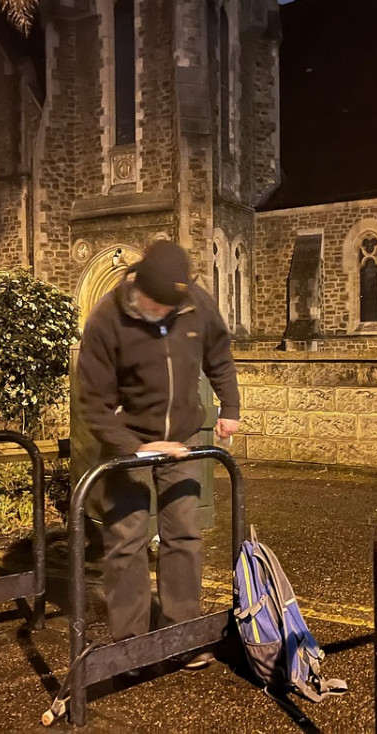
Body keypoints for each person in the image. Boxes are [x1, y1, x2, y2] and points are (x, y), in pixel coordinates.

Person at [76, 239, 241, 670]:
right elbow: (91, 403)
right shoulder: (107, 320)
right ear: (139, 288)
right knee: (127, 540)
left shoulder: (192, 303)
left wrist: (230, 407)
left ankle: (181, 635)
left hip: (182, 438)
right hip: (129, 441)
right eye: (157, 306)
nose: (164, 314)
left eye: (172, 308)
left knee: (184, 536)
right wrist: (136, 448)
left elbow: (218, 352)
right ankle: (130, 644)